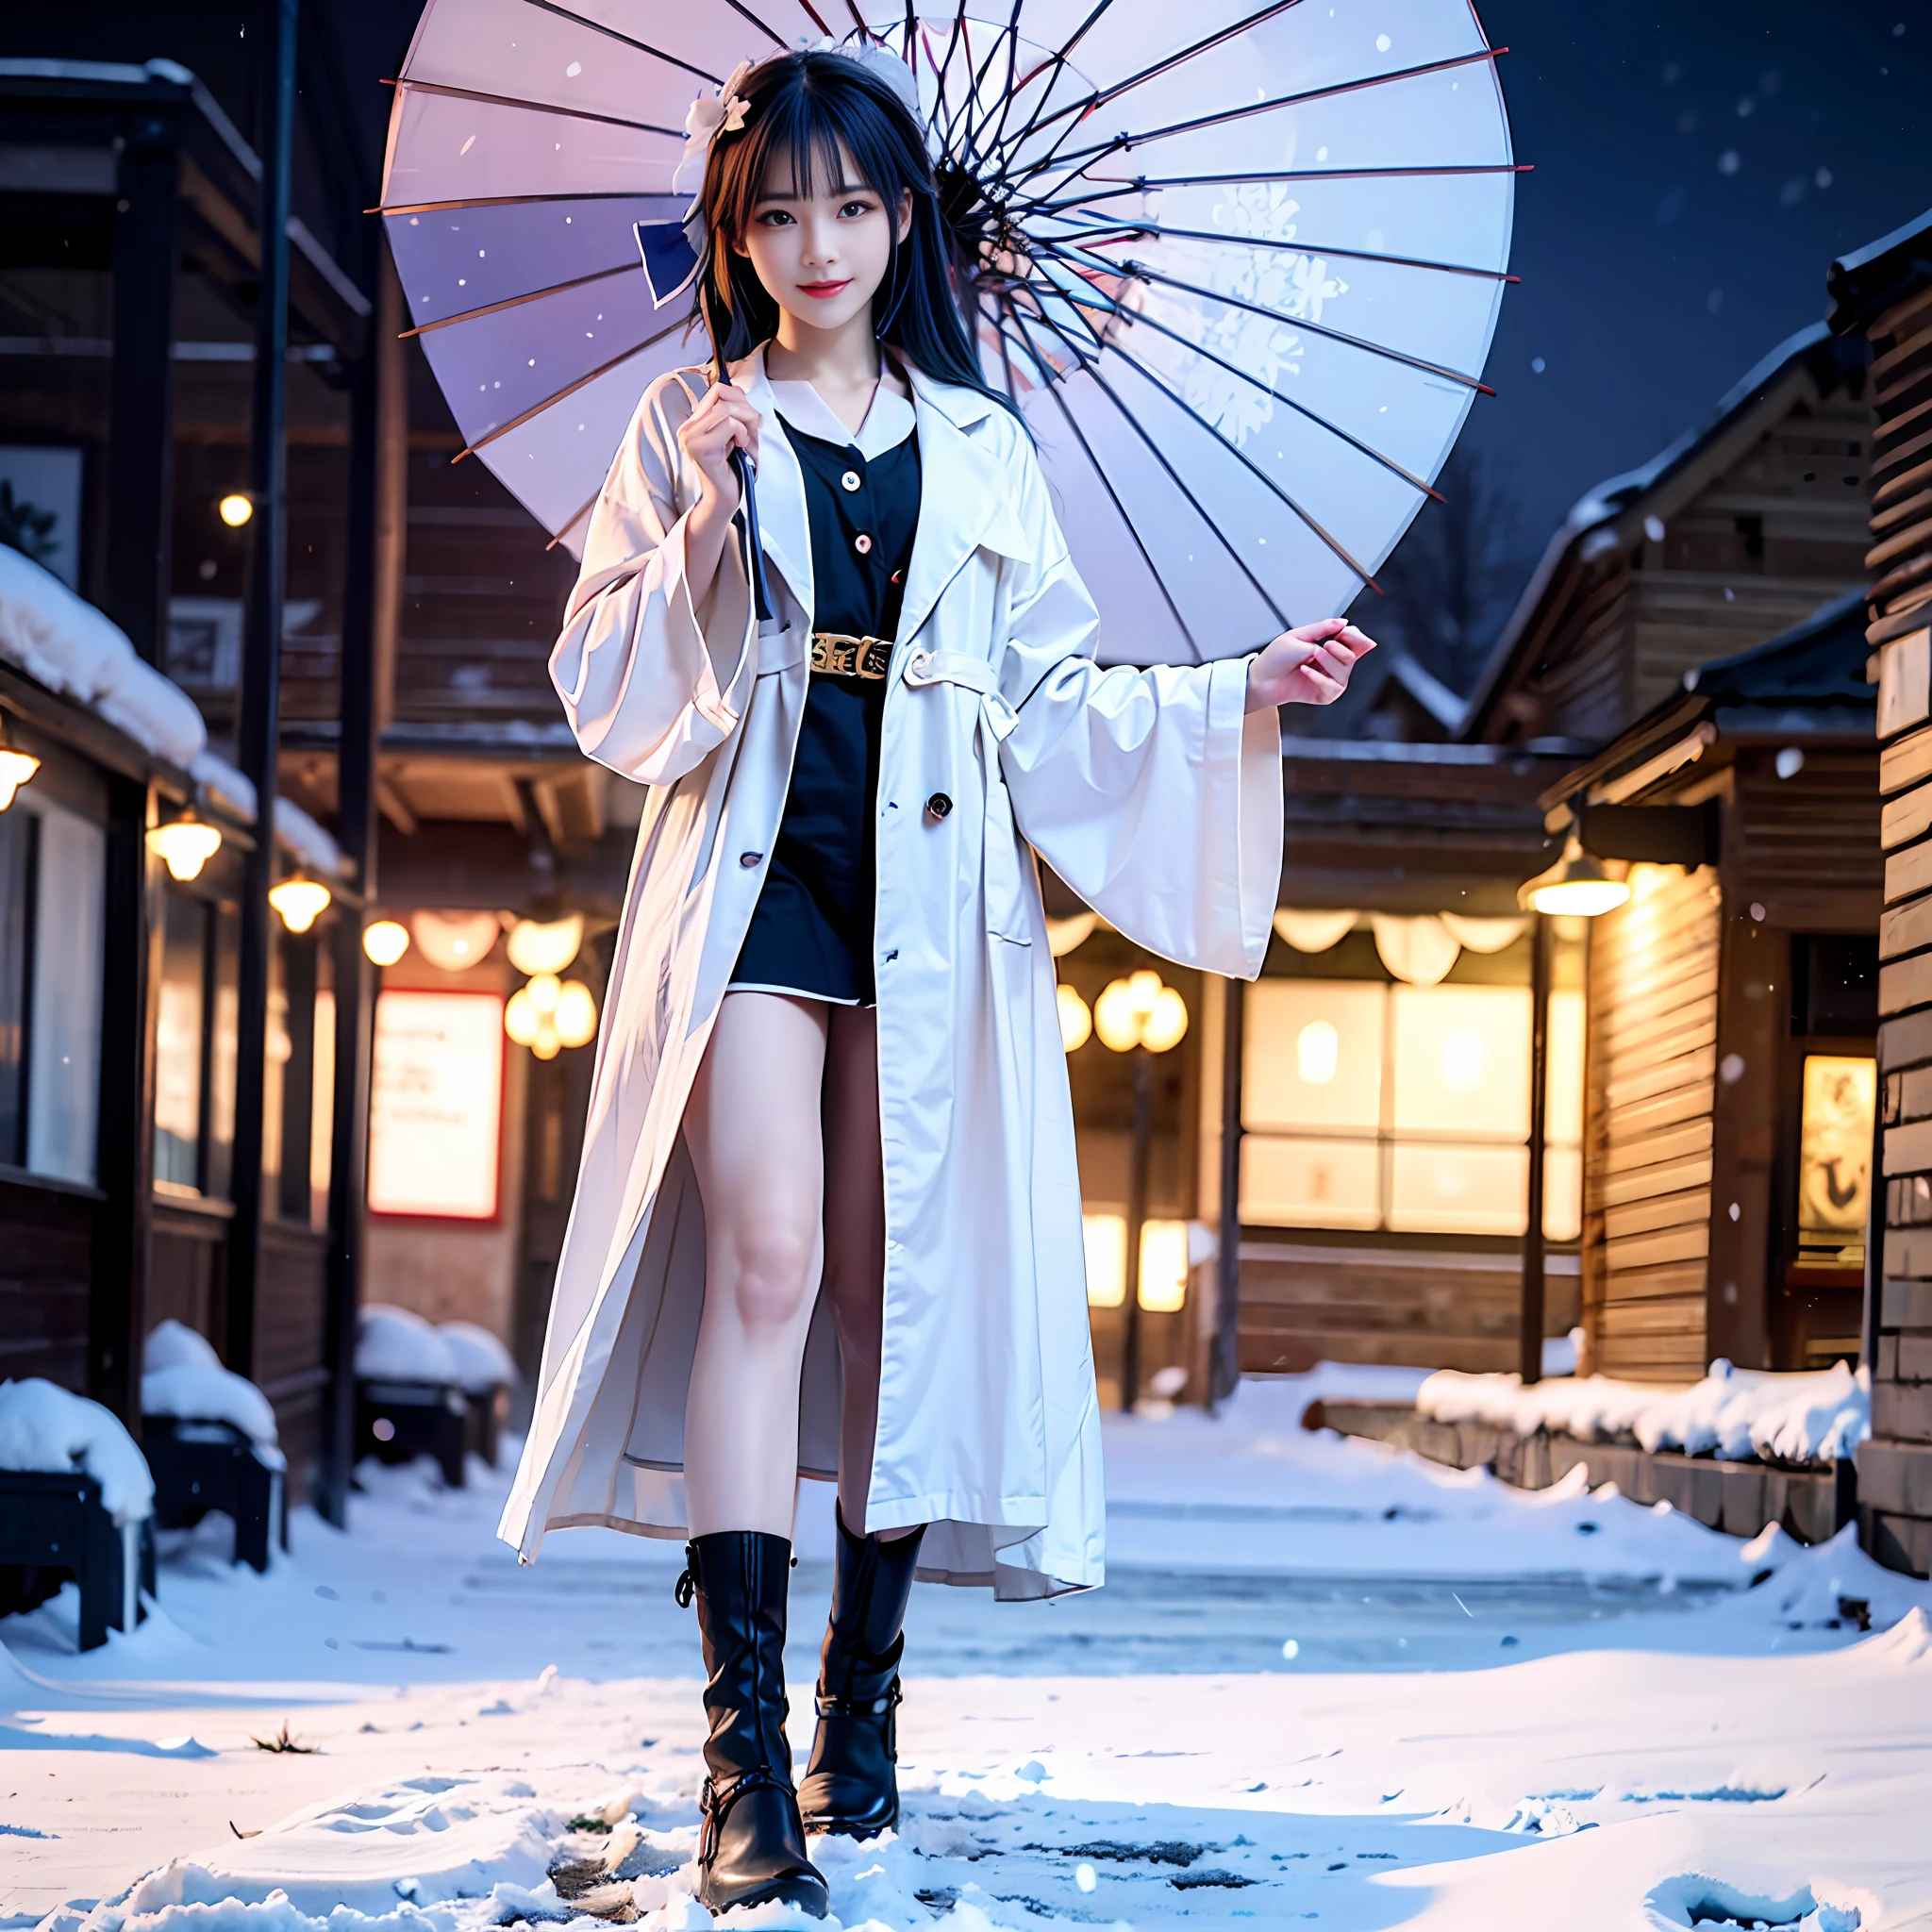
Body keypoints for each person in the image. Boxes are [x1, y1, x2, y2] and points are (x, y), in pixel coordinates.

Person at [502, 44, 1374, 1920]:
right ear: (735, 231)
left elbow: (1049, 702)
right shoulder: (690, 420)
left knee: (893, 1294)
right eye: (776, 209)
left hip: (936, 891)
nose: (815, 241)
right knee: (768, 1263)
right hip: (752, 882)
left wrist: (1231, 690)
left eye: (851, 203)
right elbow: (608, 697)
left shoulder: (985, 450)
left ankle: (861, 1698)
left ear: (906, 222)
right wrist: (708, 531)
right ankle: (744, 1761)